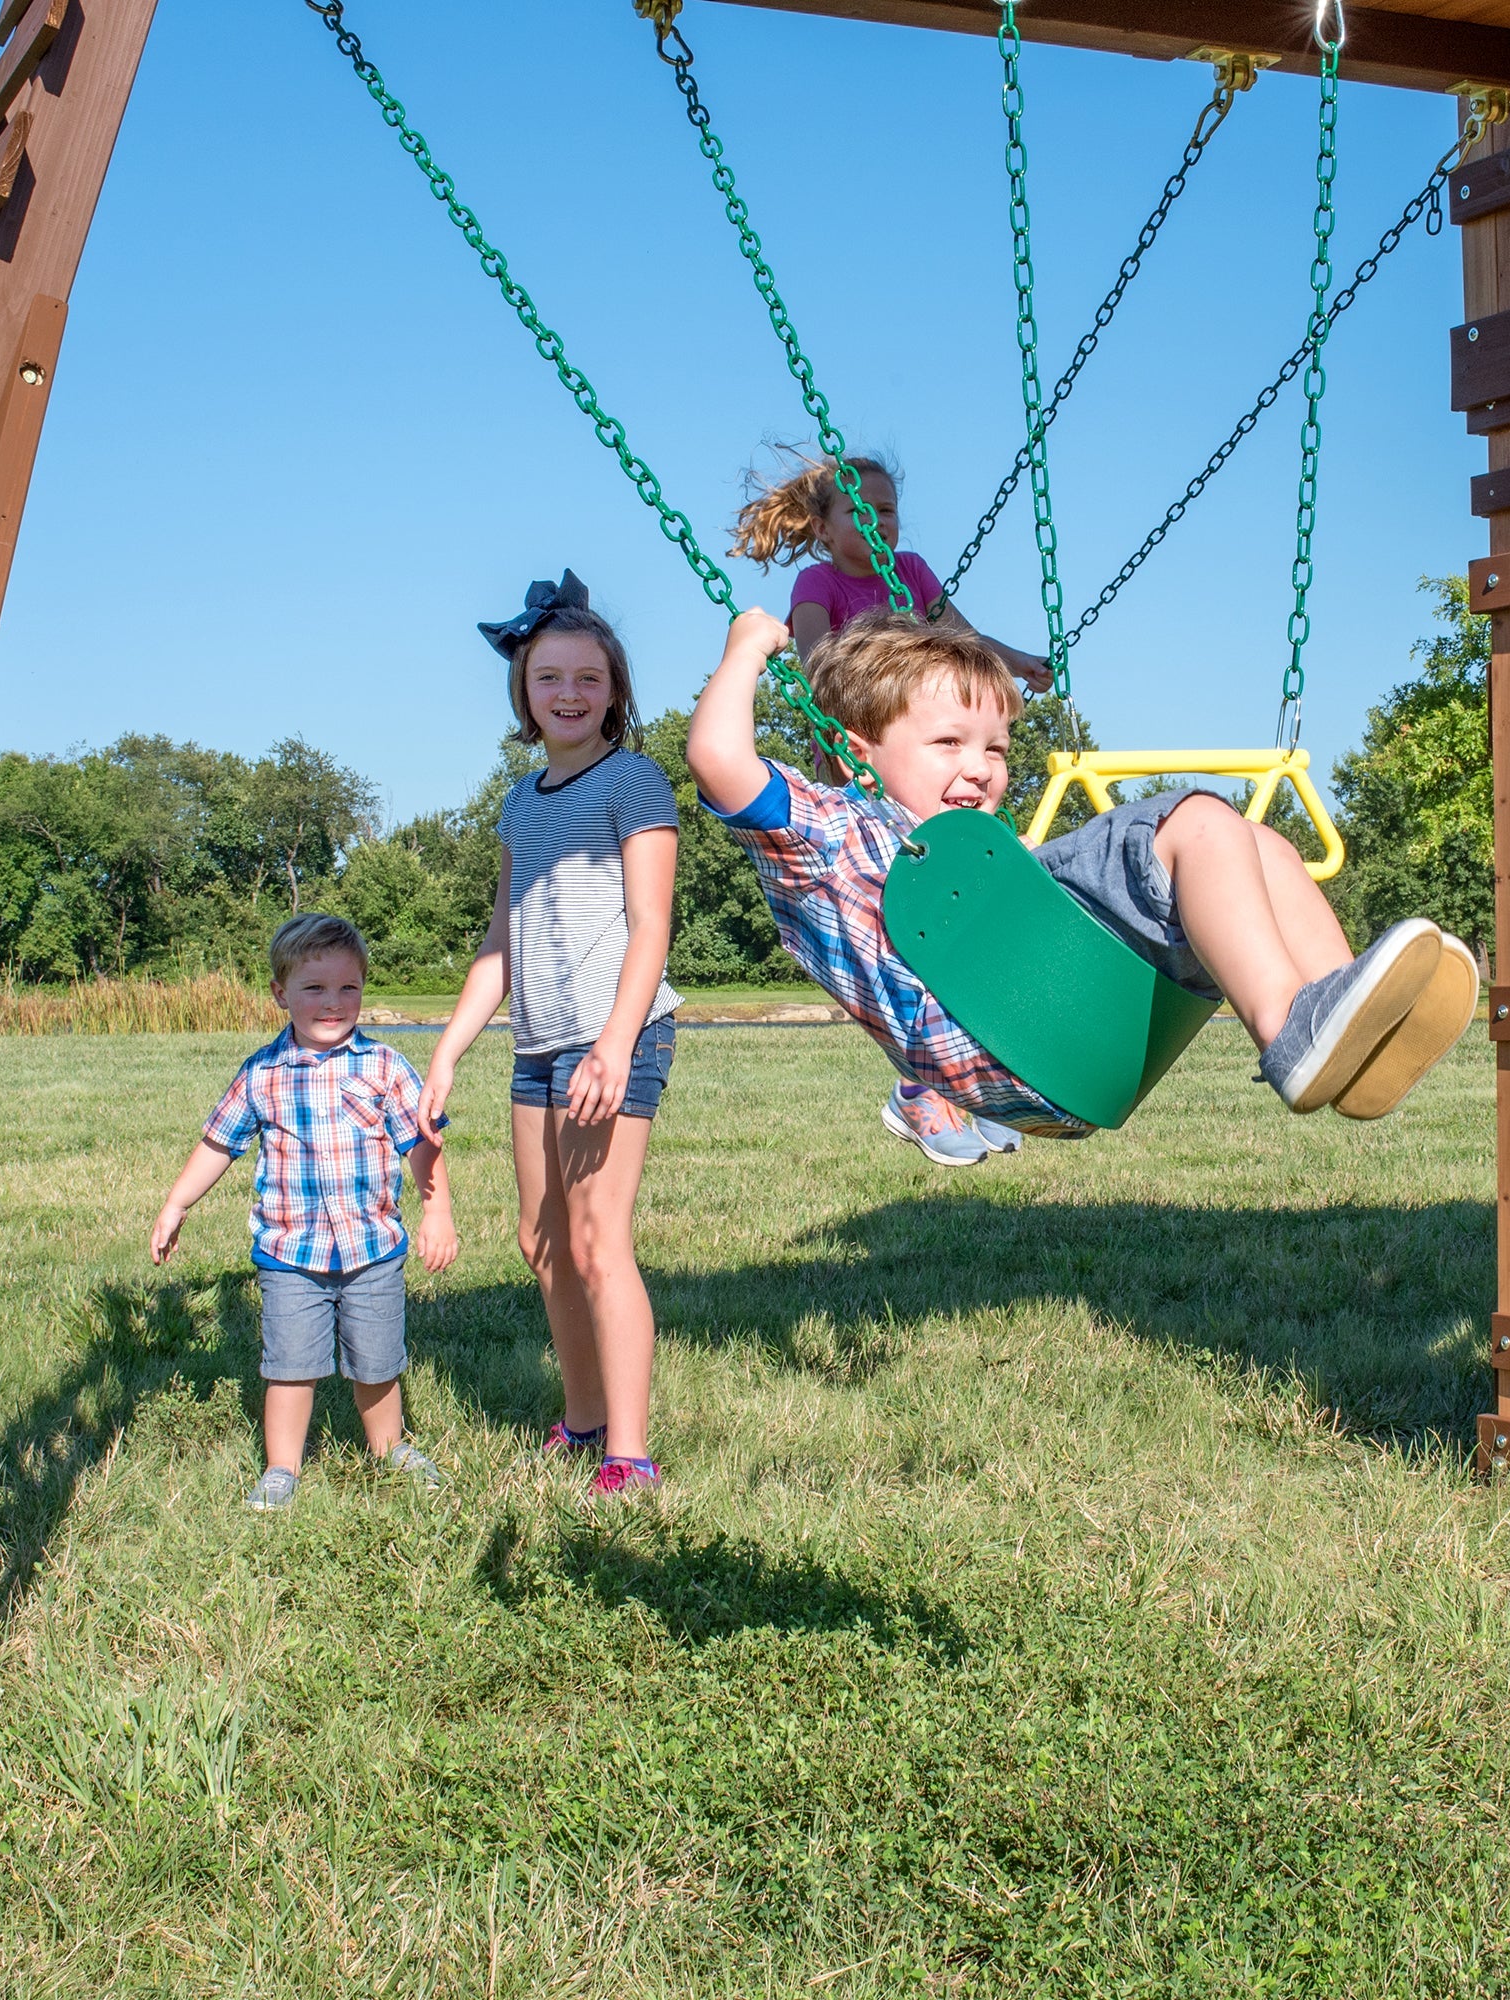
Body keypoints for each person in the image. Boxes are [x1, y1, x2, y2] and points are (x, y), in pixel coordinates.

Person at [686, 608, 1477, 1136]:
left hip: (1069, 1039)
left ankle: (1350, 1029)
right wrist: (747, 649)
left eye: (994, 749)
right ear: (859, 752)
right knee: (1196, 822)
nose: (981, 769)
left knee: (1255, 846)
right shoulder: (831, 832)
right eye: (948, 744)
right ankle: (1291, 1030)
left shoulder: (974, 853)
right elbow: (718, 759)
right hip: (1012, 1027)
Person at [419, 572, 680, 1499]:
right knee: (543, 1242)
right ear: (524, 696)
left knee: (600, 1241)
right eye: (548, 679)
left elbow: (651, 923)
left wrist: (614, 1043)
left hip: (616, 1037)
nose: (568, 694)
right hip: (538, 1044)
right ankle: (581, 1421)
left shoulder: (635, 781)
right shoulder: (520, 801)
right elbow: (502, 938)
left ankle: (631, 1453)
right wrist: (449, 1050)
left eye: (588, 679)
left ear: (615, 691)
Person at [730, 451, 1046, 1166]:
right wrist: (845, 735)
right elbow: (815, 660)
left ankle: (960, 1089)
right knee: (901, 933)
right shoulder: (820, 581)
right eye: (859, 511)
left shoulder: (914, 574)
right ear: (821, 523)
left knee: (958, 923)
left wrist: (1014, 660)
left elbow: (961, 635)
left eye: (888, 509)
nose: (878, 523)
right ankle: (920, 1092)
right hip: (861, 773)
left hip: (926, 771)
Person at [152, 913, 456, 1512]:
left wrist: (437, 1212)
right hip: (290, 1254)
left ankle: (389, 1447)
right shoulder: (261, 1074)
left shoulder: (385, 1067)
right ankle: (282, 1468)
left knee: (378, 1361)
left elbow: (422, 1144)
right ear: (280, 993)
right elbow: (220, 1143)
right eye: (314, 988)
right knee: (290, 1364)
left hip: (373, 1248)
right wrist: (176, 1202)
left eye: (349, 988)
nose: (333, 1003)